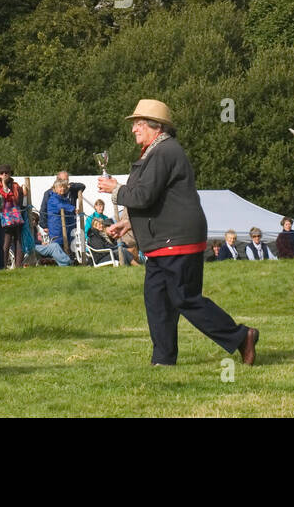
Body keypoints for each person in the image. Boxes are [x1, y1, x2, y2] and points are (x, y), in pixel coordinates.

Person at [99, 99, 257, 367]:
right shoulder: (154, 153)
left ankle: (241, 336)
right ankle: (163, 359)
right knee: (157, 301)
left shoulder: (164, 153)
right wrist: (128, 224)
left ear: (156, 127)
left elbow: (144, 195)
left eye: (138, 124)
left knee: (183, 298)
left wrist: (115, 189)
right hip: (164, 242)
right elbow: (158, 200)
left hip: (177, 240)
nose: (133, 129)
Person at [41, 177, 78, 255]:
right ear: (55, 188)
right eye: (60, 187)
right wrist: (73, 209)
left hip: (66, 227)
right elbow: (60, 206)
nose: (63, 188)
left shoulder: (65, 199)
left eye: (64, 186)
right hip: (57, 227)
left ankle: (68, 260)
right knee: (58, 245)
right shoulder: (53, 199)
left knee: (68, 245)